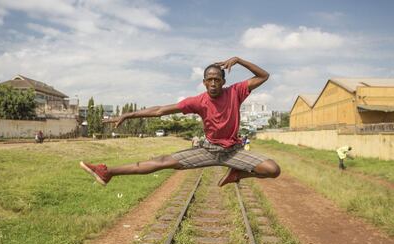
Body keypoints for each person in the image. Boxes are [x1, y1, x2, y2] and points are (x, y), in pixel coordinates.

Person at [80, 57, 280, 187]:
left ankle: (237, 175)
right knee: (161, 162)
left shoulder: (236, 92)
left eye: (217, 80)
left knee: (273, 170)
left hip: (233, 151)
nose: (212, 83)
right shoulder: (198, 101)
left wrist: (238, 60)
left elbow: (264, 75)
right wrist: (127, 115)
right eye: (209, 79)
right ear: (203, 82)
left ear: (223, 82)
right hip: (208, 150)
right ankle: (108, 172)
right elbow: (159, 110)